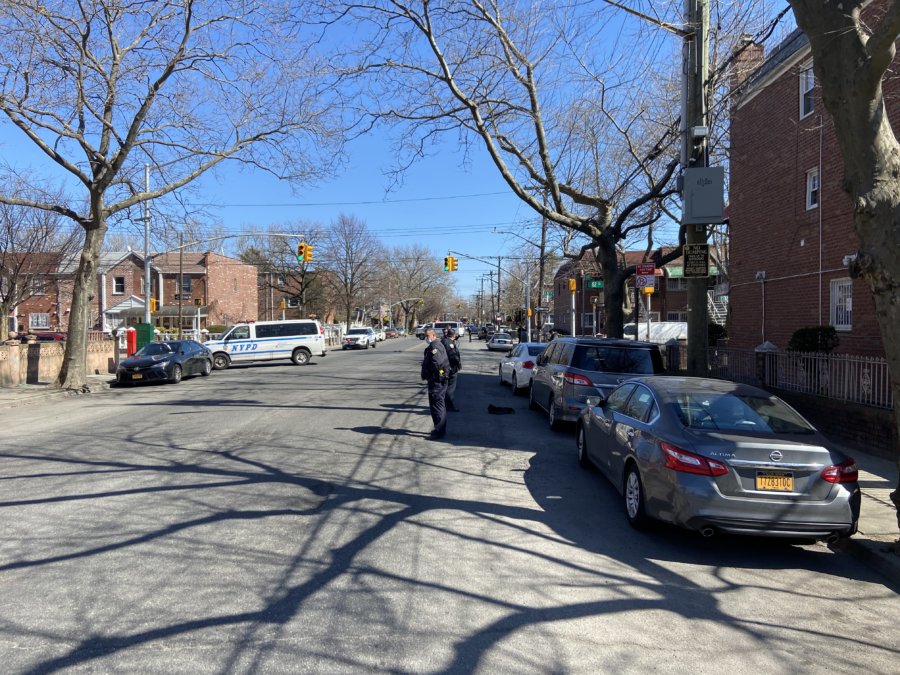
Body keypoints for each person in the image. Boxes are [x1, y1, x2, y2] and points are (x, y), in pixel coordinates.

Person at [421, 327, 450, 439]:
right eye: (425, 336)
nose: (426, 338)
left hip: (437, 381)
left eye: (428, 336)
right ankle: (439, 428)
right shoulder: (436, 345)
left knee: (437, 405)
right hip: (438, 380)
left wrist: (431, 374)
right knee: (437, 405)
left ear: (433, 335)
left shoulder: (435, 346)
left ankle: (440, 431)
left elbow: (437, 363)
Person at [441, 328, 462, 412]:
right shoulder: (449, 343)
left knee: (444, 387)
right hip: (450, 368)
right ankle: (449, 406)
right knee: (450, 388)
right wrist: (458, 364)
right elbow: (453, 356)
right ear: (453, 335)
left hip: (443, 368)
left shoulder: (443, 341)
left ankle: (444, 404)